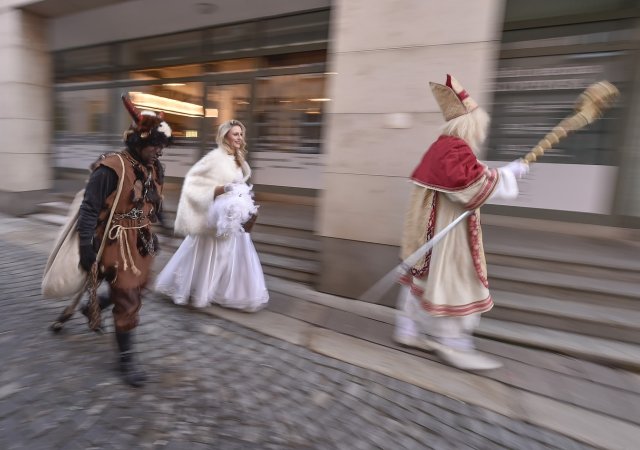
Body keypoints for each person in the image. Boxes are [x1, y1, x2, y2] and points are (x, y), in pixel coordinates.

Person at [394, 74, 529, 371]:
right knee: (451, 281)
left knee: (423, 279)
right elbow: (470, 187)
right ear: (471, 124)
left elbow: (468, 174)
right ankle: (451, 340)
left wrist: (501, 173)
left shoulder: (443, 147)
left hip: (430, 228)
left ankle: (408, 328)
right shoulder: (455, 148)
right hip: (446, 232)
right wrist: (507, 176)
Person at [77, 93, 172, 387]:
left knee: (140, 287)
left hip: (141, 239)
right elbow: (89, 208)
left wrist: (164, 221)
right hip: (114, 240)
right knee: (129, 295)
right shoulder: (111, 167)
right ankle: (126, 360)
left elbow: (154, 198)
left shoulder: (154, 167)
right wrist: (85, 246)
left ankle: (95, 305)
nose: (159, 151)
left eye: (162, 145)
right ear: (138, 140)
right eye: (155, 144)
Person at [155, 119, 269, 312]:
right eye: (235, 134)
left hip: (232, 218)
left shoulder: (238, 158)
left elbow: (240, 186)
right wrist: (224, 188)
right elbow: (194, 184)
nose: (239, 138)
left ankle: (224, 292)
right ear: (225, 136)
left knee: (229, 255)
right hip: (215, 219)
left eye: (241, 134)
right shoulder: (215, 158)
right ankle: (196, 290)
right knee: (208, 254)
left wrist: (245, 201)